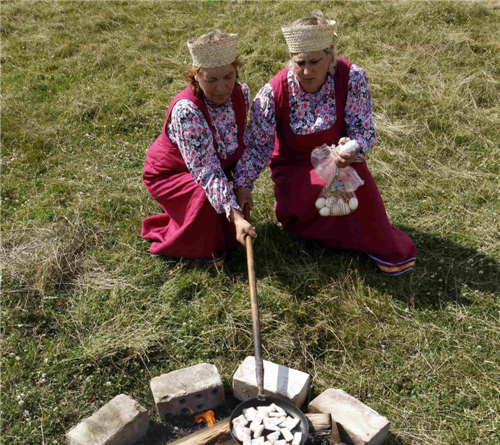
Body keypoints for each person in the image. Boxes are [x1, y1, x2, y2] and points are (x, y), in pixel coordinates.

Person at [234, 11, 416, 275]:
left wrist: (352, 149)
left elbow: (363, 130)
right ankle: (303, 220)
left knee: (357, 182)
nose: (307, 71)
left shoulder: (351, 78)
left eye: (315, 61)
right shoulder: (273, 93)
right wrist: (243, 184)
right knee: (313, 200)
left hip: (339, 163)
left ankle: (376, 243)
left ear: (330, 54)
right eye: (300, 62)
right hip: (294, 170)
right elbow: (256, 147)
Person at [141, 30, 256, 267]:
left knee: (221, 208)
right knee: (205, 200)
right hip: (171, 174)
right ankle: (205, 251)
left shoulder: (241, 93)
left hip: (214, 169)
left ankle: (219, 228)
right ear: (196, 76)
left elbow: (245, 144)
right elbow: (207, 170)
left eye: (228, 76)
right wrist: (235, 215)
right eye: (211, 80)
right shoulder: (187, 111)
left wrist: (242, 185)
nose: (222, 87)